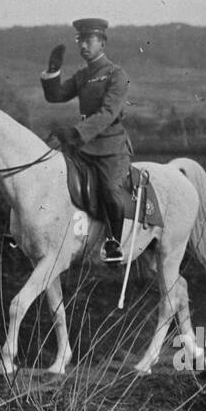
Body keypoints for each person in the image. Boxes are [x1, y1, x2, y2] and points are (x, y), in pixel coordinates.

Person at [41, 18, 136, 263]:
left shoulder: (117, 74)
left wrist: (74, 132)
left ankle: (114, 242)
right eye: (80, 40)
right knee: (50, 172)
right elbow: (56, 96)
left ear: (102, 43)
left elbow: (108, 113)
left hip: (110, 148)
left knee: (109, 190)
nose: (83, 45)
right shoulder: (83, 75)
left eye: (89, 40)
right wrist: (53, 70)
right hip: (83, 146)